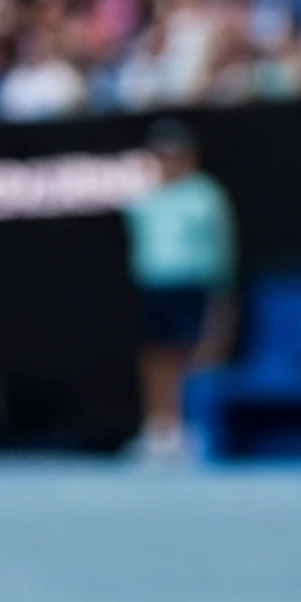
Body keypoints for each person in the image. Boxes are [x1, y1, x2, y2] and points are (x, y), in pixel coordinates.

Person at [120, 119, 235, 463]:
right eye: (161, 154)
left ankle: (190, 427)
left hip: (193, 286)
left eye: (174, 153)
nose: (168, 160)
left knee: (191, 355)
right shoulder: (143, 199)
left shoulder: (206, 195)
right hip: (154, 287)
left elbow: (221, 250)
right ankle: (159, 429)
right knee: (155, 356)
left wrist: (223, 300)